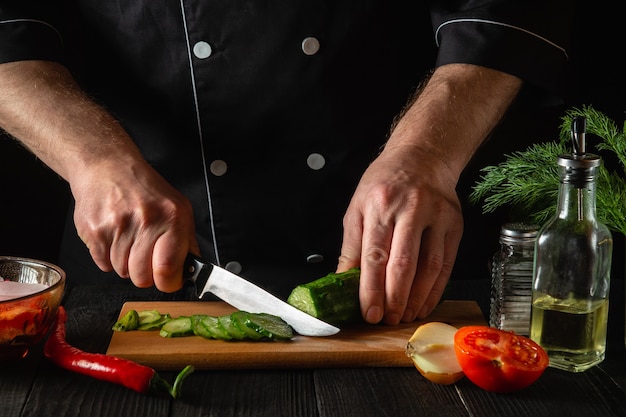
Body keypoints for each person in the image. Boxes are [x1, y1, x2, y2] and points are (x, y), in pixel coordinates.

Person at [0, 2, 572, 325]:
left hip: (402, 250)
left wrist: (425, 153)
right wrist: (94, 160)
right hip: (139, 258)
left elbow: (500, 12)